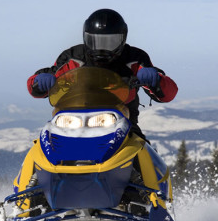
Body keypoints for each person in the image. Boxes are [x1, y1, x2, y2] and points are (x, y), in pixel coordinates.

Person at [27, 8, 178, 138]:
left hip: (121, 122)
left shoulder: (134, 58)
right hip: (73, 120)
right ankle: (30, 173)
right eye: (95, 41)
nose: (102, 47)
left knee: (141, 150)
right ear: (86, 37)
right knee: (43, 147)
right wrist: (40, 82)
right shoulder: (74, 57)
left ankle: (150, 172)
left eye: (110, 42)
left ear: (122, 39)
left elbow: (168, 93)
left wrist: (155, 80)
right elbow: (38, 82)